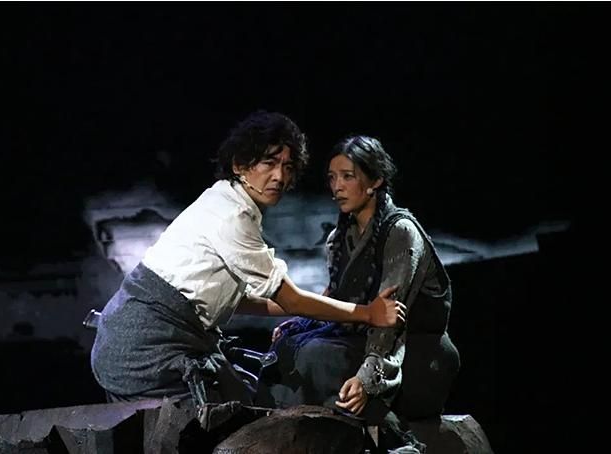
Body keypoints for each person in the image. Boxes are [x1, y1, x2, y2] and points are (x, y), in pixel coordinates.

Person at [90, 113, 405, 407]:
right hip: (143, 350)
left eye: (288, 167)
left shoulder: (224, 198)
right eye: (269, 163)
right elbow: (291, 299)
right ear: (240, 164)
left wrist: (319, 309)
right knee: (238, 420)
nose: (279, 176)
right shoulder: (232, 216)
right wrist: (369, 313)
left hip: (143, 338)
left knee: (253, 397)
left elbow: (238, 300)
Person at [262, 135, 460, 453]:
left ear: (375, 180)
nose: (336, 187)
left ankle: (396, 441)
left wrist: (367, 381)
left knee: (315, 357)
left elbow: (390, 323)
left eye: (347, 176)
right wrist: (301, 325)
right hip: (362, 342)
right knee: (288, 347)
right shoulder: (338, 239)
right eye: (332, 178)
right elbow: (337, 299)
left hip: (414, 354)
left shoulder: (401, 232)